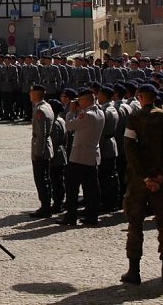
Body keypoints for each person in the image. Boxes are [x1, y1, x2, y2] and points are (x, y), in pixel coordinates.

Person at [120, 83, 163, 286]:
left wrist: (145, 177)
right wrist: (161, 176)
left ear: (141, 97)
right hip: (161, 180)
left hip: (139, 181)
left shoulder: (135, 118)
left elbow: (129, 149)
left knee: (135, 224)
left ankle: (134, 270)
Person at [59, 88, 104, 227]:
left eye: (80, 100)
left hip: (79, 156)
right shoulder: (100, 112)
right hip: (92, 155)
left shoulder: (87, 115)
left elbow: (69, 125)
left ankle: (70, 216)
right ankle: (92, 216)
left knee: (72, 187)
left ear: (86, 100)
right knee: (91, 188)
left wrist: (71, 112)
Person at [29, 84, 55, 218]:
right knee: (46, 178)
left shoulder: (40, 110)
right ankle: (46, 205)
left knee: (41, 179)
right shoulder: (47, 106)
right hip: (47, 146)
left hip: (41, 148)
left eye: (31, 92)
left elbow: (41, 133)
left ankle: (45, 207)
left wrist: (38, 152)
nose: (29, 94)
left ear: (35, 94)